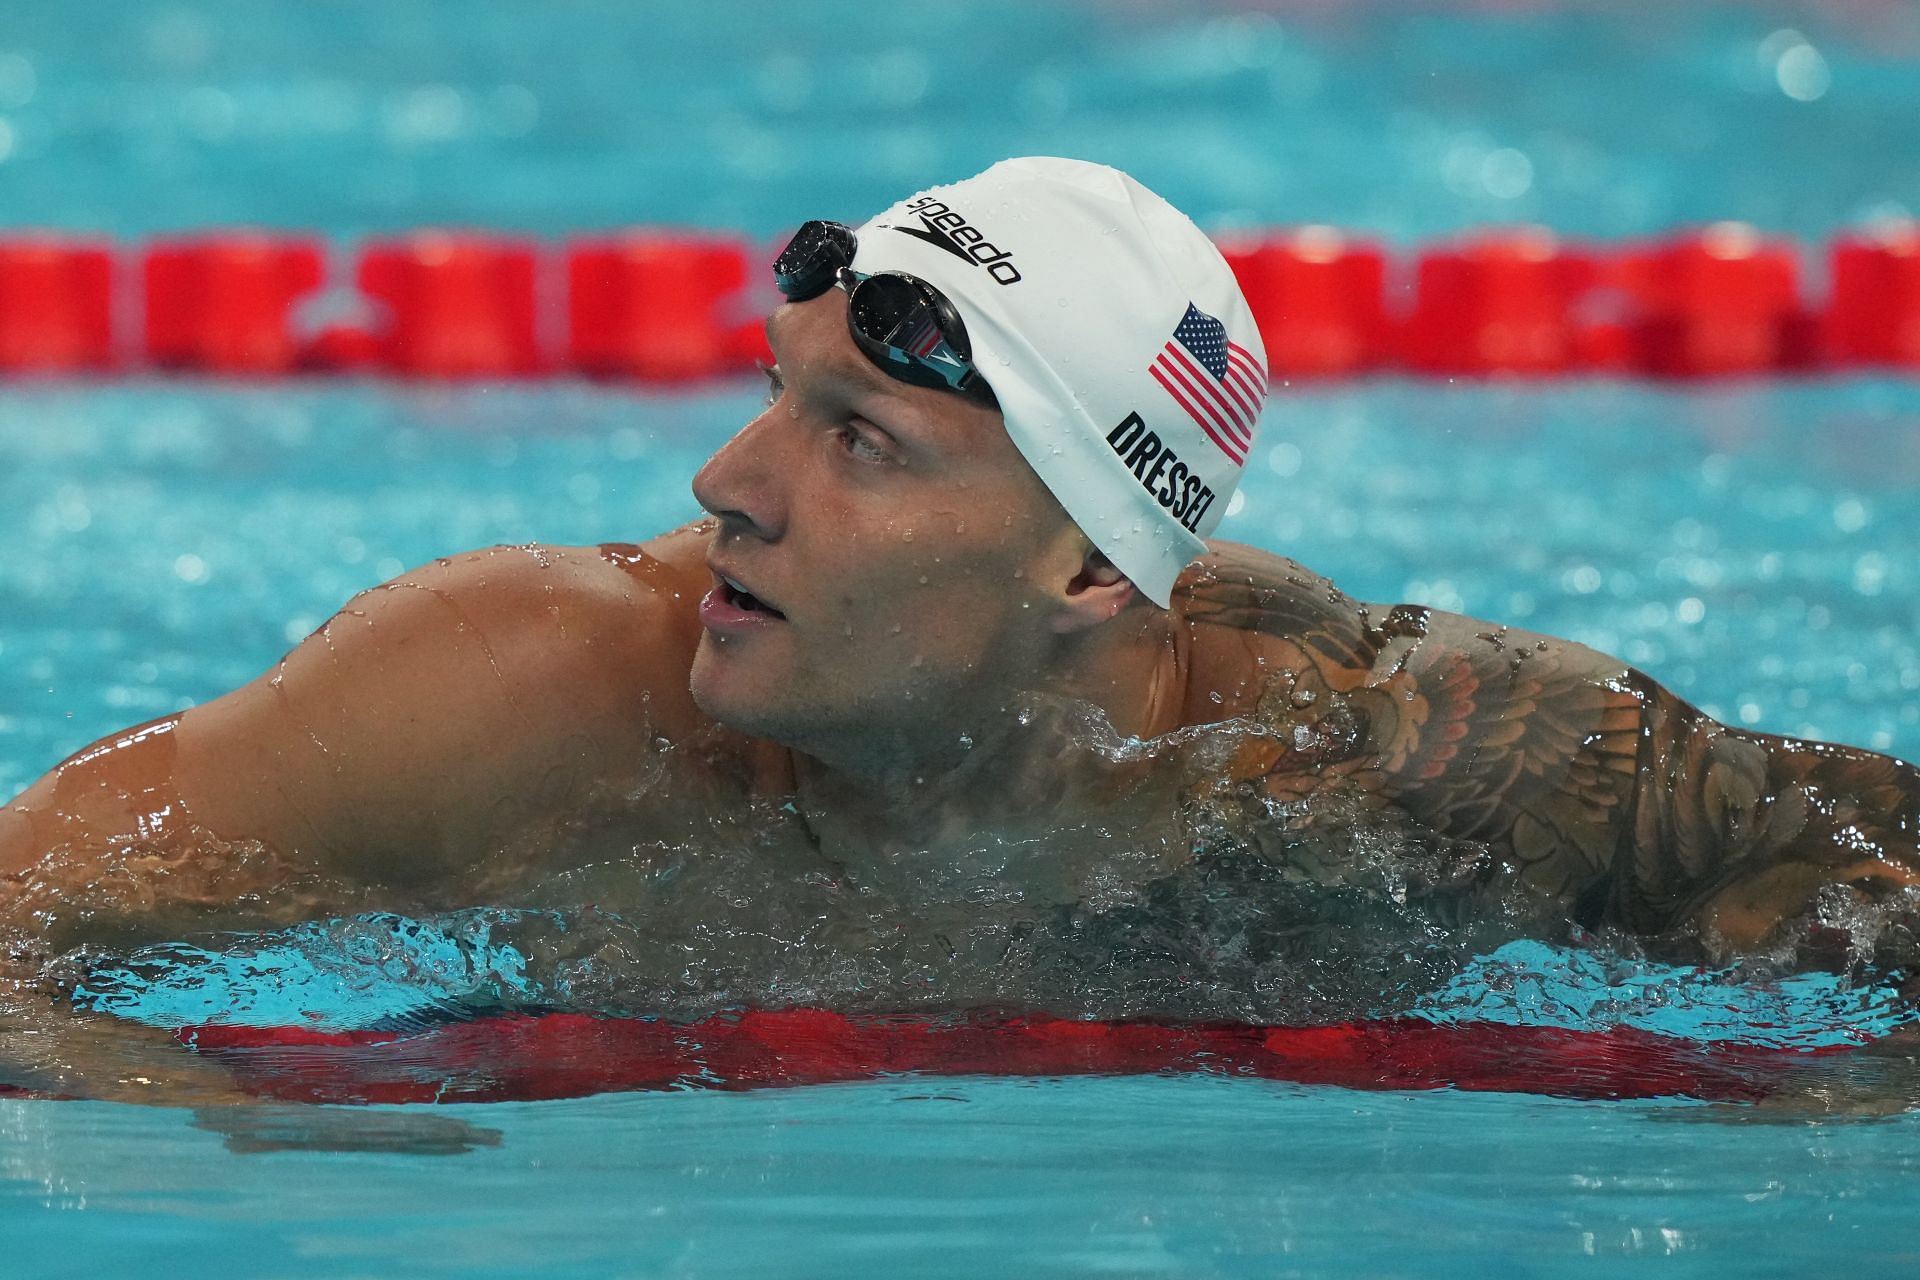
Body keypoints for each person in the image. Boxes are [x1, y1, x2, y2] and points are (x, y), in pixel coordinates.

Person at [3, 155, 1918, 1031]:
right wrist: (224, 1134)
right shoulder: (528, 689)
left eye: (860, 442)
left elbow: (1862, 877)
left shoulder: (1383, 753)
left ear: (1091, 565)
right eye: (778, 395)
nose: (720, 489)